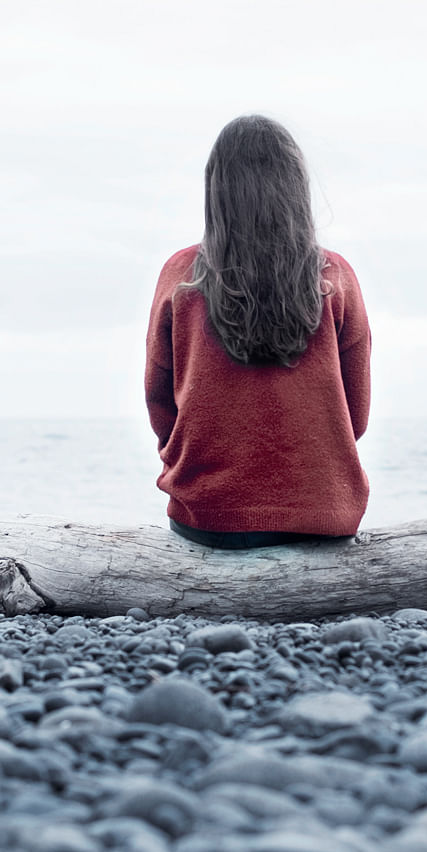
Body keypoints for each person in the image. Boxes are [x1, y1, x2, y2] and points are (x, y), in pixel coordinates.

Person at [145, 115, 372, 550]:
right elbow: (355, 415)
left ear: (217, 190)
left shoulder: (180, 274)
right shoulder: (336, 277)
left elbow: (159, 400)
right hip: (324, 515)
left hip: (211, 518)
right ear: (294, 188)